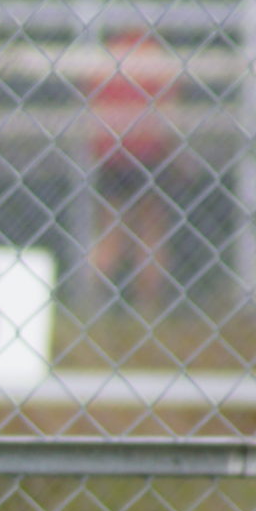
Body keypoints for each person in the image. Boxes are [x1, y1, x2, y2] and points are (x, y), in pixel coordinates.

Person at [83, 26, 183, 311]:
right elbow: (169, 112)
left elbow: (94, 109)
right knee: (150, 232)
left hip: (114, 153)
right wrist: (175, 154)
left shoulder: (108, 58)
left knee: (110, 232)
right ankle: (148, 305)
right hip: (148, 151)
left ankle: (93, 302)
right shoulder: (156, 58)